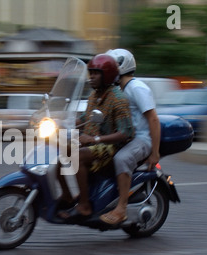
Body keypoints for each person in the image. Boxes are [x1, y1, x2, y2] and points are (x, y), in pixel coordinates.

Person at [57, 54, 134, 223]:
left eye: (95, 73)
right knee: (60, 151)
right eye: (90, 73)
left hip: (111, 146)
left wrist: (95, 140)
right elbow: (85, 118)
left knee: (77, 156)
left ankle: (84, 205)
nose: (91, 77)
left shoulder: (118, 99)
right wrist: (61, 124)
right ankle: (68, 196)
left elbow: (125, 133)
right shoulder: (94, 96)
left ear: (106, 75)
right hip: (91, 141)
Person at [99, 48, 161, 225]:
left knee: (122, 159)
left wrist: (154, 153)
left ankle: (121, 208)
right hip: (124, 137)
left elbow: (153, 119)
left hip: (142, 139)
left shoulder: (137, 88)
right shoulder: (117, 89)